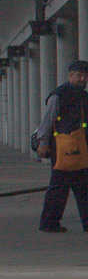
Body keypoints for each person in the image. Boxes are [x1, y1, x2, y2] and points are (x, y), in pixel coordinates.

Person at [33, 60, 88, 233]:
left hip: (81, 148)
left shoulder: (83, 96)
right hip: (62, 149)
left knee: (84, 188)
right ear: (70, 76)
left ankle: (54, 222)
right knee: (59, 188)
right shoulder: (59, 95)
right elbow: (48, 120)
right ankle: (49, 223)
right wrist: (43, 143)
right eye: (79, 75)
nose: (83, 79)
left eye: (85, 76)